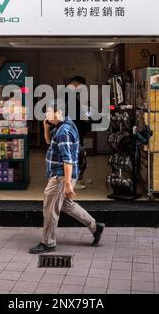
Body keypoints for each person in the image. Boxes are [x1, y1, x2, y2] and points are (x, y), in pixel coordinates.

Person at [29, 99, 104, 254]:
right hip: (61, 175)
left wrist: (68, 183)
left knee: (50, 208)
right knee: (66, 204)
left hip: (60, 176)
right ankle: (95, 227)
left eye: (49, 111)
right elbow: (50, 142)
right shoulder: (63, 125)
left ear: (59, 112)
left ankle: (48, 243)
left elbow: (68, 160)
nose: (46, 114)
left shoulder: (64, 132)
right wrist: (45, 127)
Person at [64, 76, 93, 189]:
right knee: (73, 156)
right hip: (72, 131)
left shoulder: (71, 96)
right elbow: (71, 116)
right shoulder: (67, 96)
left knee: (80, 155)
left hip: (76, 130)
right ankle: (73, 182)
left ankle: (79, 178)